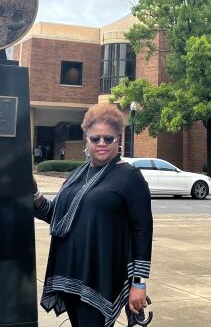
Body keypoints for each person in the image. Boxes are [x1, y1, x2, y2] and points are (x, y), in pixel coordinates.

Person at [33, 104, 152, 327]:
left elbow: (142, 231)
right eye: (95, 138)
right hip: (68, 273)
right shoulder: (78, 175)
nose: (101, 144)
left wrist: (139, 282)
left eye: (108, 138)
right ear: (87, 139)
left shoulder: (130, 177)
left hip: (100, 276)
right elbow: (55, 216)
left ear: (118, 139)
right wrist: (33, 192)